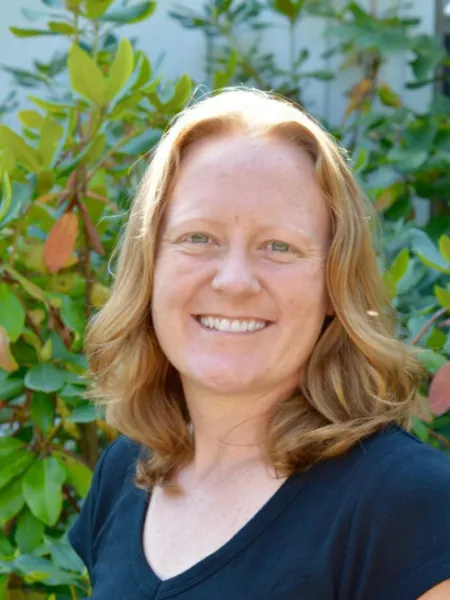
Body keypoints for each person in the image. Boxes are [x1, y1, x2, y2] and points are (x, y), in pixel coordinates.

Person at [68, 88, 450, 600]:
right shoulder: (126, 471)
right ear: (151, 266)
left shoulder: (410, 507)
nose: (234, 280)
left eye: (279, 246)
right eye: (199, 237)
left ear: (333, 285)